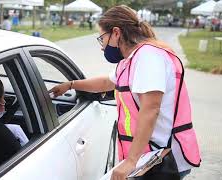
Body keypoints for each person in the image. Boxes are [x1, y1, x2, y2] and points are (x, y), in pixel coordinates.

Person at [49, 5, 201, 180]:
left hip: (161, 158)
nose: (101, 47)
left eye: (102, 39)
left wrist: (131, 161)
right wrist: (71, 85)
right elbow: (107, 82)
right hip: (149, 157)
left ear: (116, 33)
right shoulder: (131, 60)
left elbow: (151, 109)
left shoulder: (148, 57)